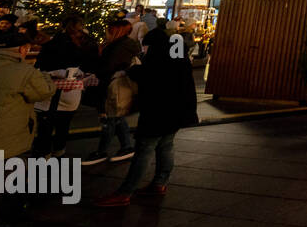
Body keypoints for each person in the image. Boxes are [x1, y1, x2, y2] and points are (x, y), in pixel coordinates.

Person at [93, 24, 199, 206]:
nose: (144, 49)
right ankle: (160, 183)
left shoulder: (159, 59)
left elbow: (149, 76)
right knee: (166, 145)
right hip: (178, 112)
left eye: (146, 46)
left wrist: (130, 70)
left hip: (158, 112)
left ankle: (126, 192)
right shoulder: (178, 57)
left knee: (144, 149)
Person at [0, 28, 55, 227]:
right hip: (3, 136)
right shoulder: (25, 72)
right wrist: (46, 77)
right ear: (23, 49)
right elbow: (44, 91)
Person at [32, 13, 99, 158]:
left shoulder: (53, 43)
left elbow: (40, 66)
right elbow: (92, 65)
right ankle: (59, 148)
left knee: (46, 124)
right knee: (64, 122)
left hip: (51, 88)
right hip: (73, 90)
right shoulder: (86, 43)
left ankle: (44, 152)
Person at [83, 18, 142, 165]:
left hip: (112, 87)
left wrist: (93, 72)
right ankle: (126, 147)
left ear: (115, 31)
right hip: (115, 86)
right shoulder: (124, 45)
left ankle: (102, 151)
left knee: (109, 118)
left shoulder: (119, 47)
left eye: (108, 30)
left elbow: (108, 67)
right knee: (115, 118)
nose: (106, 33)